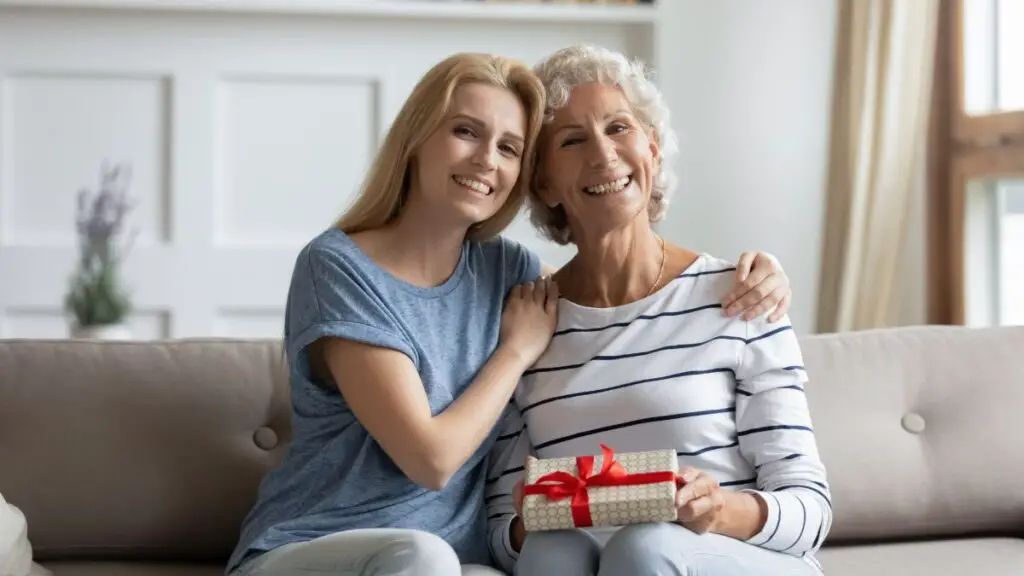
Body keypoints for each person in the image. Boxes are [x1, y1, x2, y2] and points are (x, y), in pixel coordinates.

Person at [226, 51, 793, 576]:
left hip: (453, 559)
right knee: (422, 557)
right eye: (466, 132)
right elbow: (432, 460)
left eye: (509, 147)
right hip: (323, 546)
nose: (485, 160)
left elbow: (611, 294)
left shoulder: (509, 271)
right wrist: (515, 351)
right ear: (417, 139)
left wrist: (763, 274)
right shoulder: (339, 266)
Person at [485, 45, 832, 576]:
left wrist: (720, 511)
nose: (603, 155)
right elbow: (500, 532)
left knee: (644, 547)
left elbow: (811, 511)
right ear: (544, 183)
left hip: (730, 556)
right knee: (552, 551)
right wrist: (527, 519)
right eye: (572, 141)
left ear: (652, 149)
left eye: (619, 128)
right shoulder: (530, 324)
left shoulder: (740, 296)